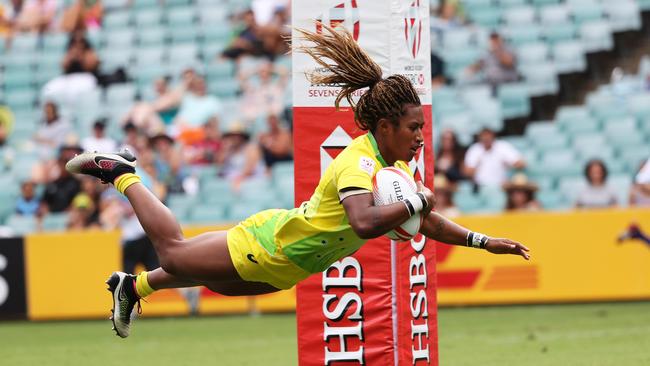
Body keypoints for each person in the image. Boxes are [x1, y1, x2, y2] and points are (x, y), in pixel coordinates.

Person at [65, 25, 529, 339]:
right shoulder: (358, 164)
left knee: (215, 283)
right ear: (385, 126)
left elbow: (423, 218)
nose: (420, 137)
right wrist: (416, 203)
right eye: (414, 128)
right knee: (175, 254)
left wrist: (482, 241)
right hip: (271, 245)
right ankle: (122, 173)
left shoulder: (396, 169)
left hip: (288, 266)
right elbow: (366, 223)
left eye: (422, 129)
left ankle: (132, 287)